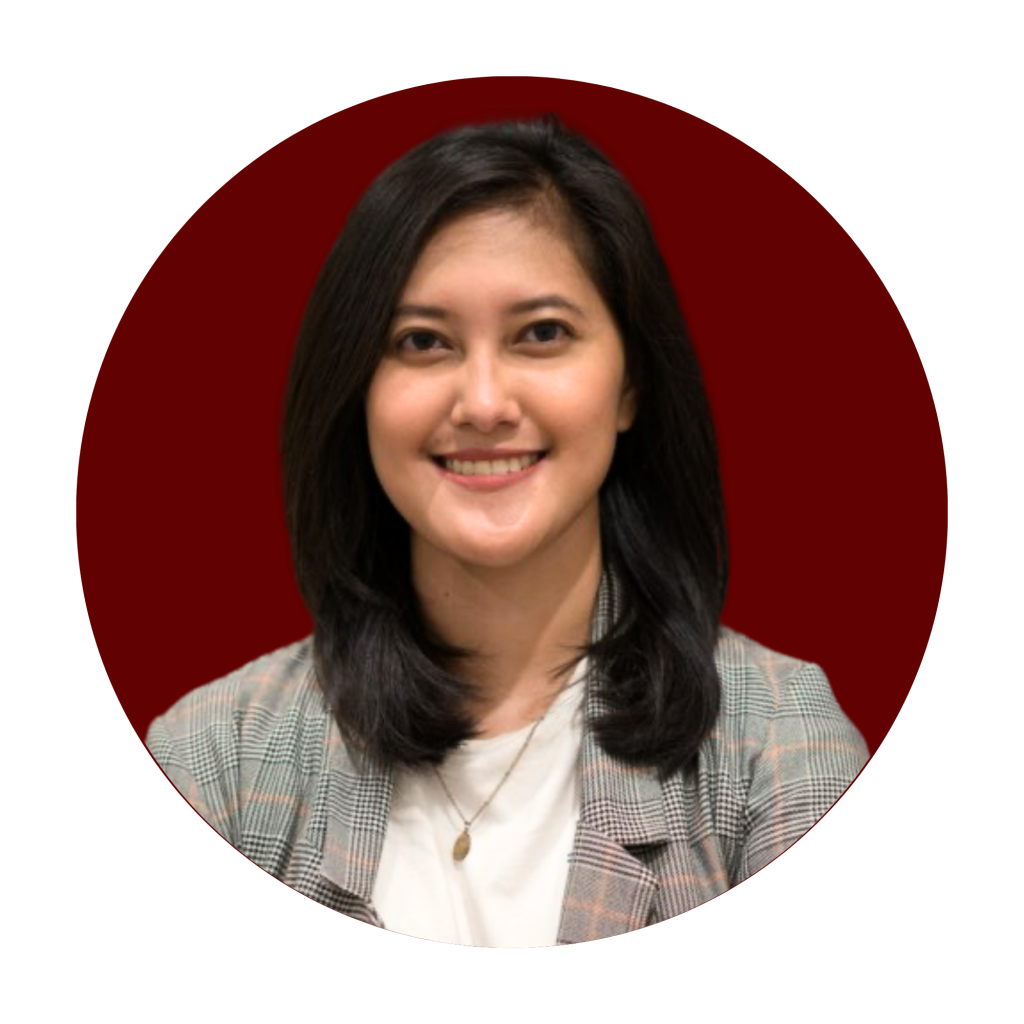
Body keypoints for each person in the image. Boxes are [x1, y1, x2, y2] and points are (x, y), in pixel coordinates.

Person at [146, 115, 869, 946]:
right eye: (423, 341)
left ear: (630, 383)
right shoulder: (217, 758)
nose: (484, 403)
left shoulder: (777, 744)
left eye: (542, 334)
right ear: (356, 391)